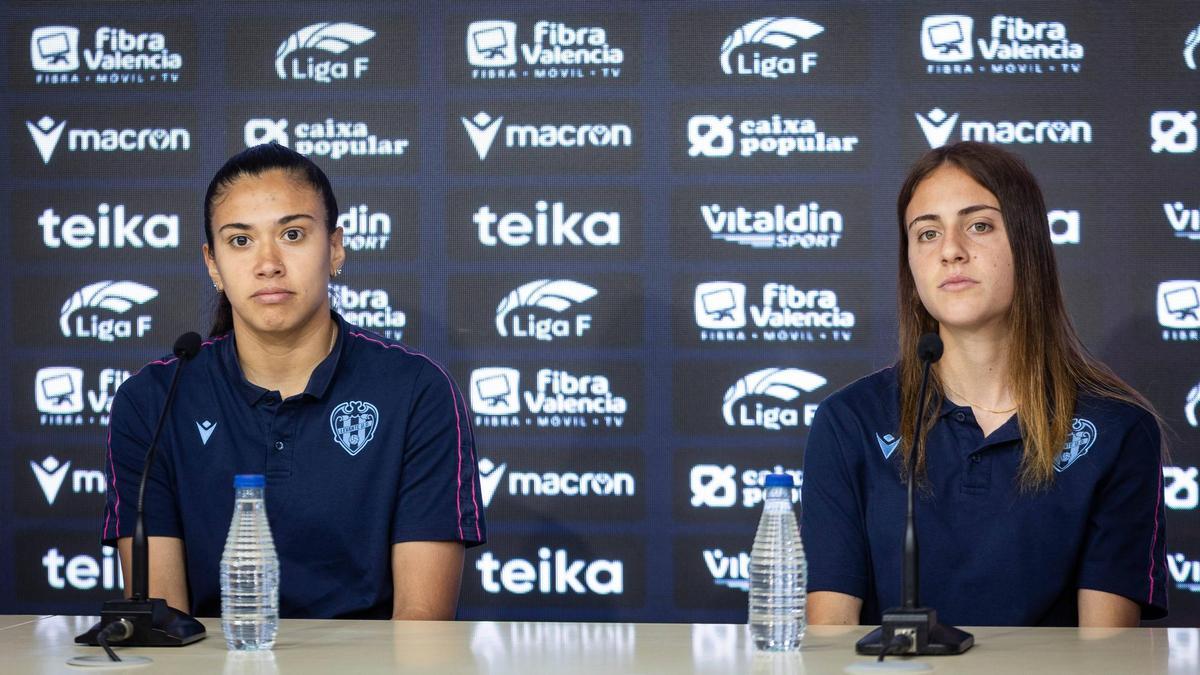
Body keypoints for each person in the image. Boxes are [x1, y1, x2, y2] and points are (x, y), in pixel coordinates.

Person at [101, 142, 485, 620]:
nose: (268, 263)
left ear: (335, 248)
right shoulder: (153, 401)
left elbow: (421, 631)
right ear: (212, 263)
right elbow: (163, 628)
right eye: (240, 240)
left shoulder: (416, 391)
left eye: (293, 234)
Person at [801, 141, 1167, 627]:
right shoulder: (849, 421)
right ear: (911, 268)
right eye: (927, 233)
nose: (951, 250)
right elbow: (829, 640)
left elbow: (1105, 654)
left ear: (1028, 241)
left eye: (979, 225)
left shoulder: (1118, 430)